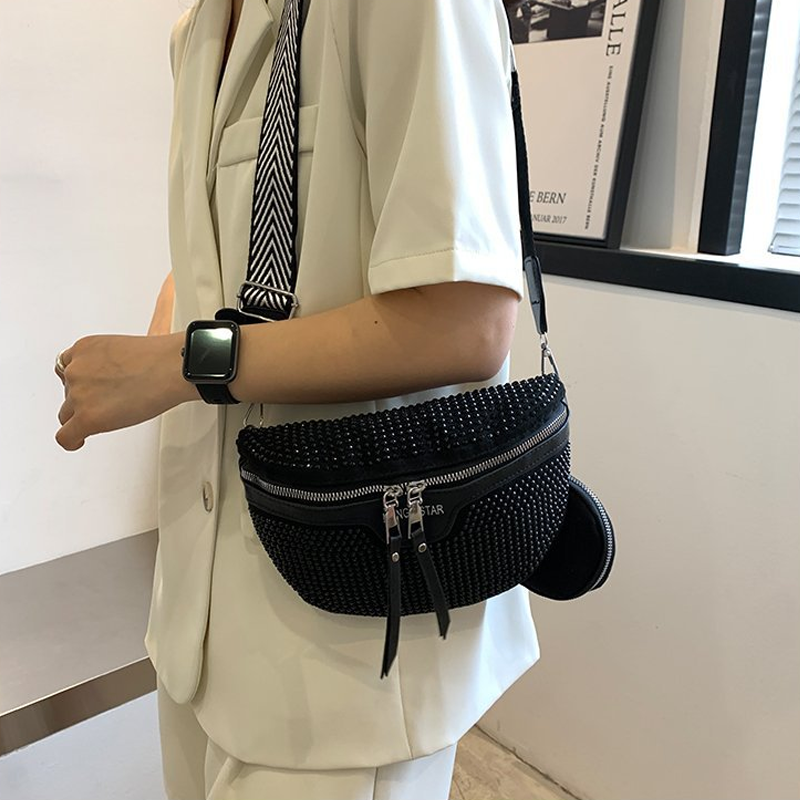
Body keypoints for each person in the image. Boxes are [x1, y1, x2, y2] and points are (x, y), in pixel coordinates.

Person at [54, 0, 540, 797]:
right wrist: (161, 338)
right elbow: (215, 251)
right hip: (199, 618)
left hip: (350, 642)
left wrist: (175, 364)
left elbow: (464, 322)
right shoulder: (196, 31)